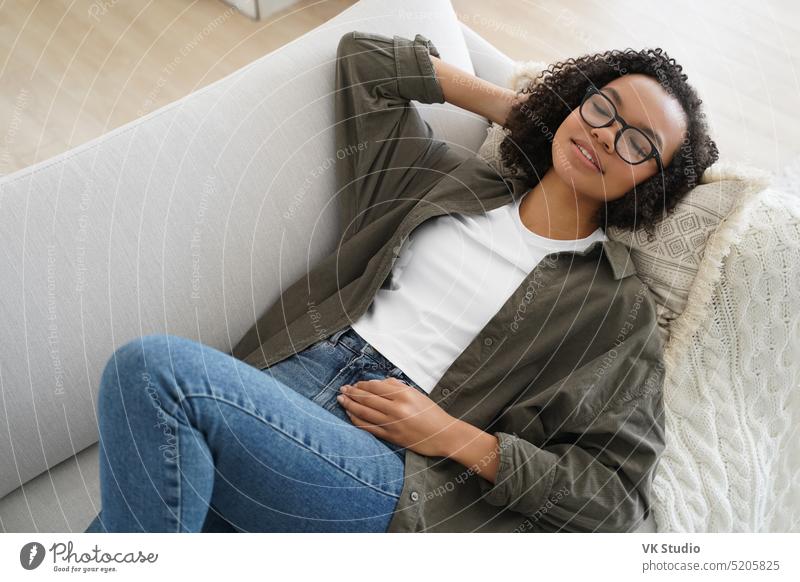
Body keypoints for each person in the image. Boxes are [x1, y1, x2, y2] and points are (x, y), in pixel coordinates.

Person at [85, 29, 718, 533]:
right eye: (602, 107)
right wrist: (534, 113)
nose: (607, 135)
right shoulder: (445, 178)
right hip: (278, 388)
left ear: (651, 182)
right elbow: (365, 61)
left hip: (391, 467)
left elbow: (615, 499)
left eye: (638, 144)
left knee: (153, 374)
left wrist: (457, 437)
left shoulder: (614, 308)